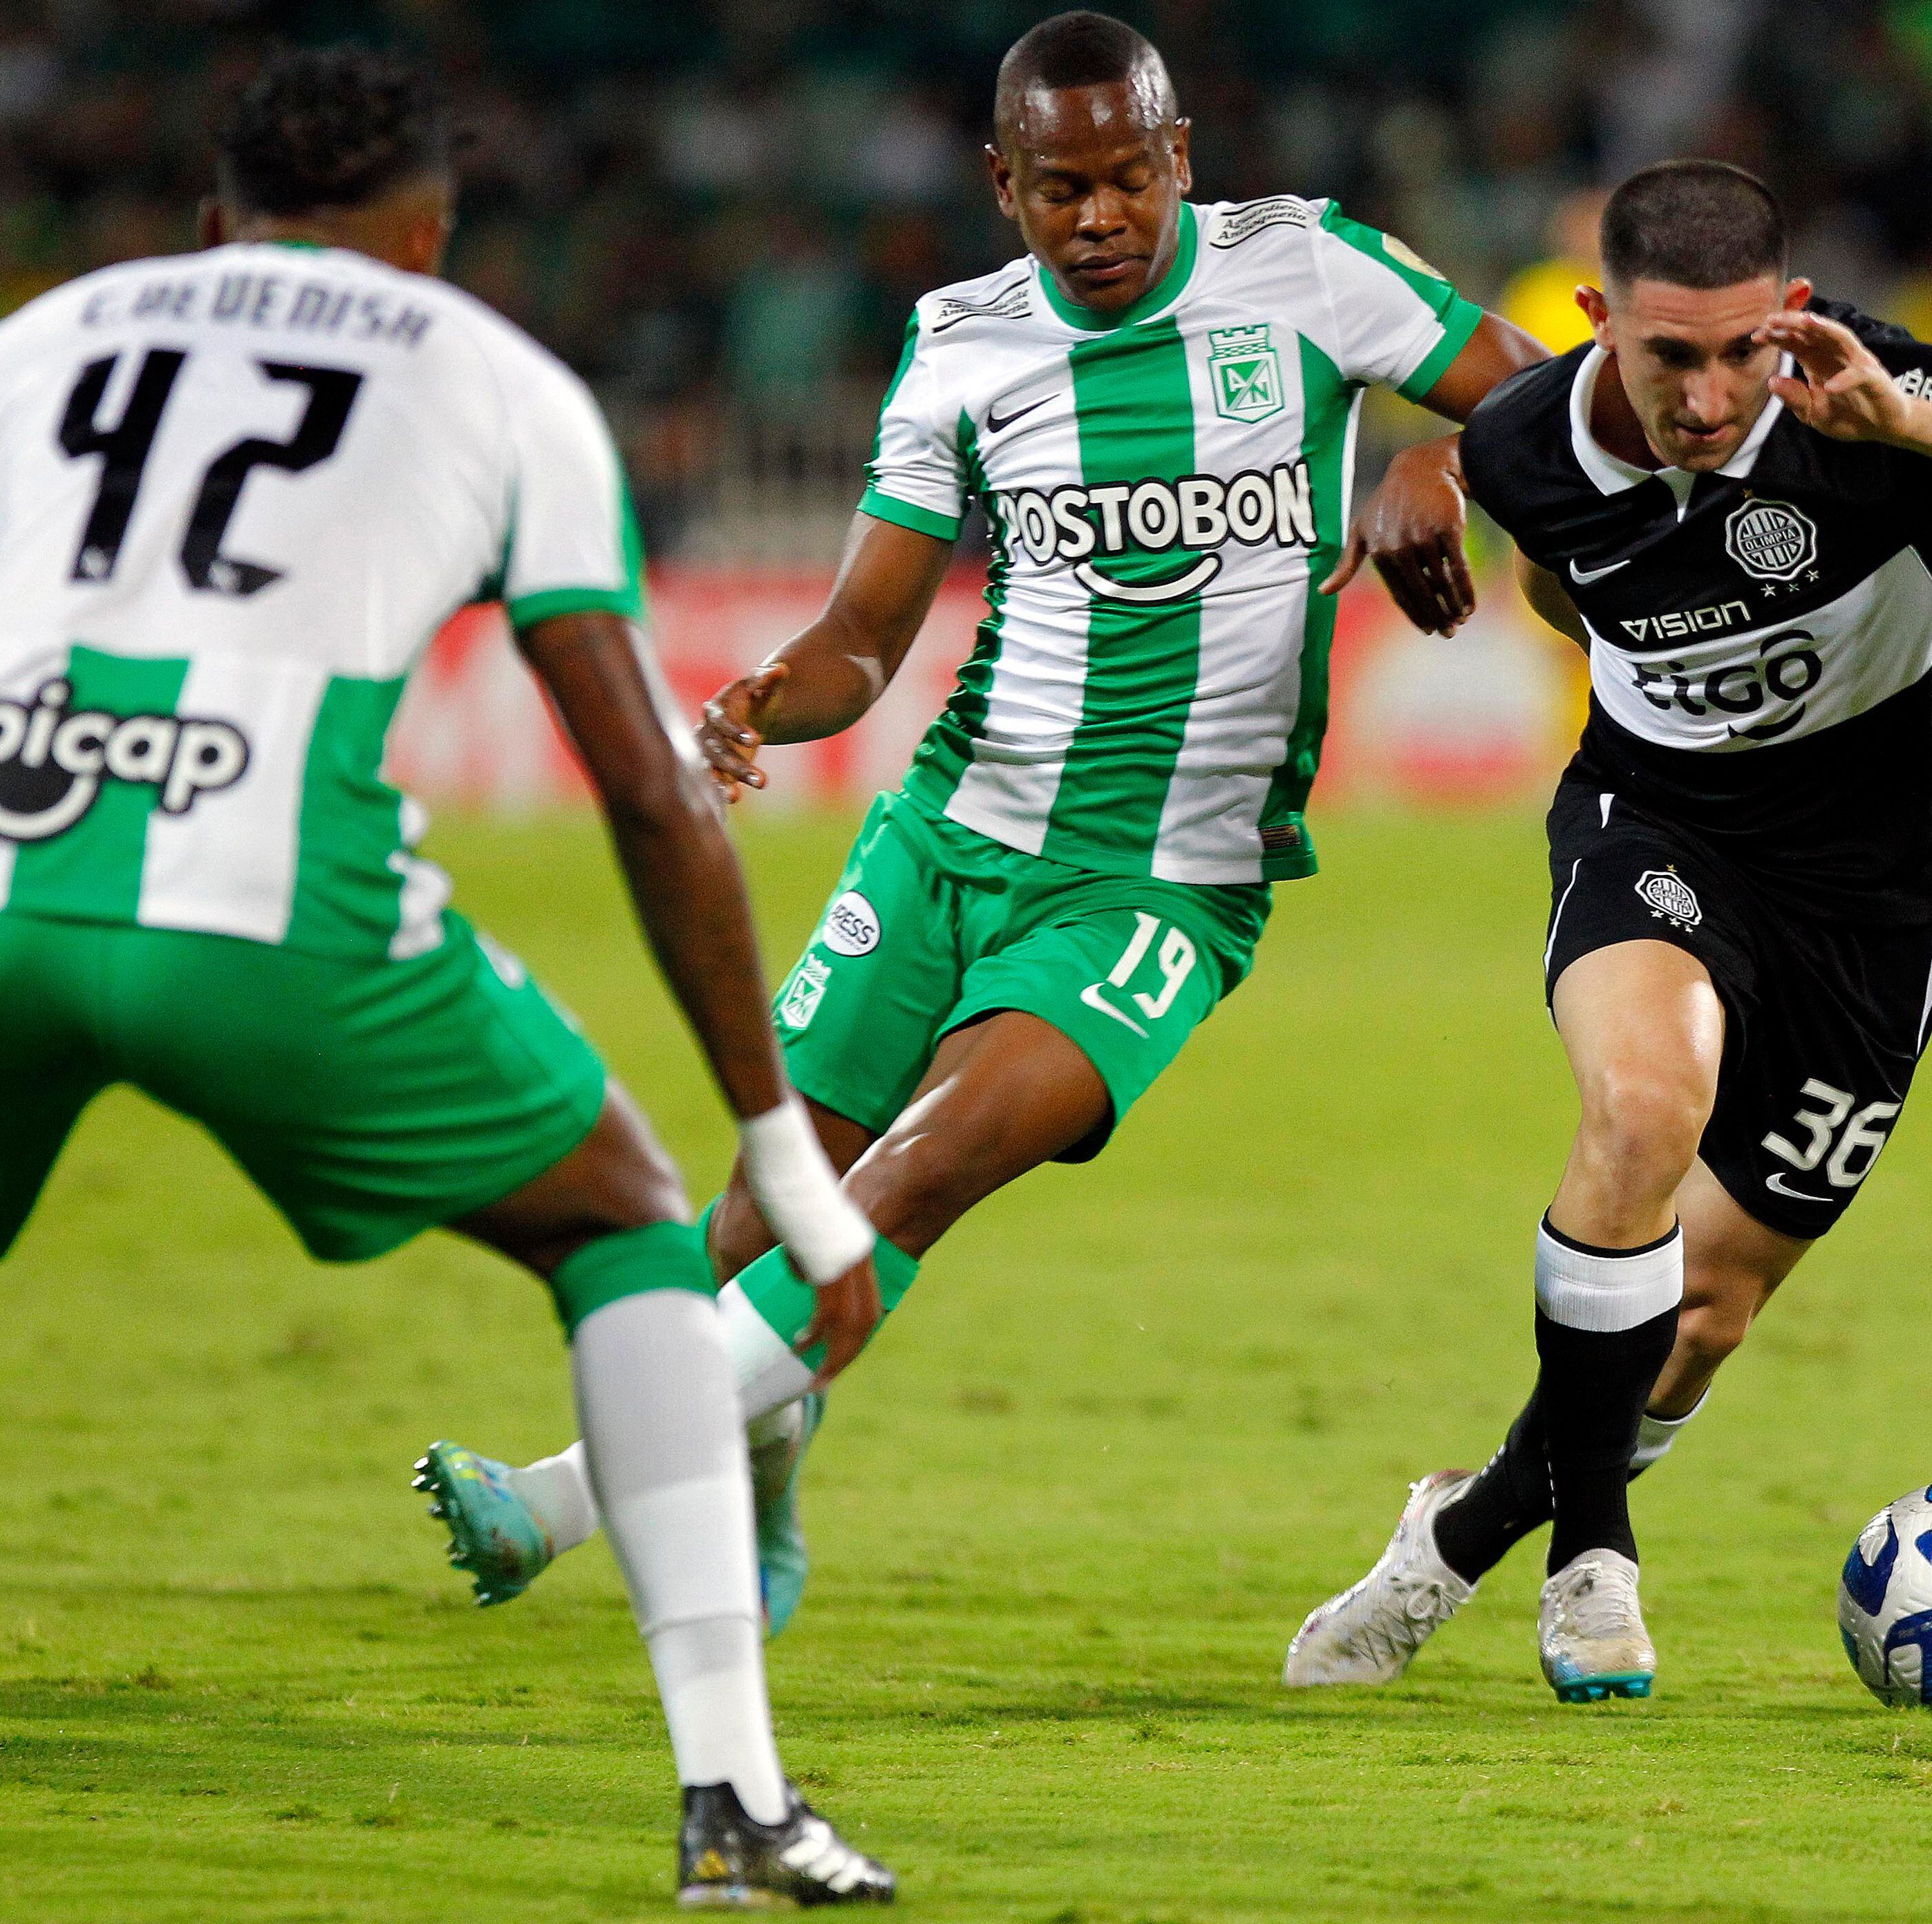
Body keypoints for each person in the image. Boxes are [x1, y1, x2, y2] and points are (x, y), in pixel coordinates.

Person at [419, 10, 1544, 1635]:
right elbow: (869, 633)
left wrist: (1436, 469)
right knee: (756, 1223)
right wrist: (762, 700)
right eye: (1058, 189)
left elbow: (1551, 398)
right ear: (1001, 186)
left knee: (908, 1181)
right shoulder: (959, 342)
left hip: (1160, 886)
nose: (1098, 220)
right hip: (946, 843)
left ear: (1178, 164)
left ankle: (560, 1497)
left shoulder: (1306, 272)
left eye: (1127, 182)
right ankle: (773, 1460)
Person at [0, 48, 896, 1905]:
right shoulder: (496, 380)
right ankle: (731, 1803)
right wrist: (777, 1141)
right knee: (631, 1233)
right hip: (263, 897)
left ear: (205, 221)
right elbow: (651, 793)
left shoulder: (50, 331)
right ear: (431, 233)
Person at [1284, 159, 1932, 1701]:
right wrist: (1431, 474)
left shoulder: (1864, 399)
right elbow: (1559, 585)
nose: (1706, 394)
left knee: (1700, 1319)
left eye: (1741, 350)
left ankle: (1460, 1532)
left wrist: (1908, 422)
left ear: (1793, 321)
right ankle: (1592, 1560)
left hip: (1875, 902)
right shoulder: (1527, 445)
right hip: (1661, 831)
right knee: (1640, 1101)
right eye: (1666, 354)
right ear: (1594, 322)